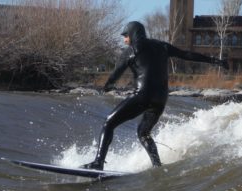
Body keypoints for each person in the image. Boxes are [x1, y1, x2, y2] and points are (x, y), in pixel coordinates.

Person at [82, 21, 228, 170]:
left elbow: (116, 73)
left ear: (133, 33)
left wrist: (107, 86)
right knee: (143, 132)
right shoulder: (162, 46)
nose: (124, 39)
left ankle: (98, 162)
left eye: (126, 35)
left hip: (143, 95)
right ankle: (157, 166)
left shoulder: (131, 50)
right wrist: (215, 61)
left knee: (108, 123)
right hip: (160, 99)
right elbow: (187, 55)